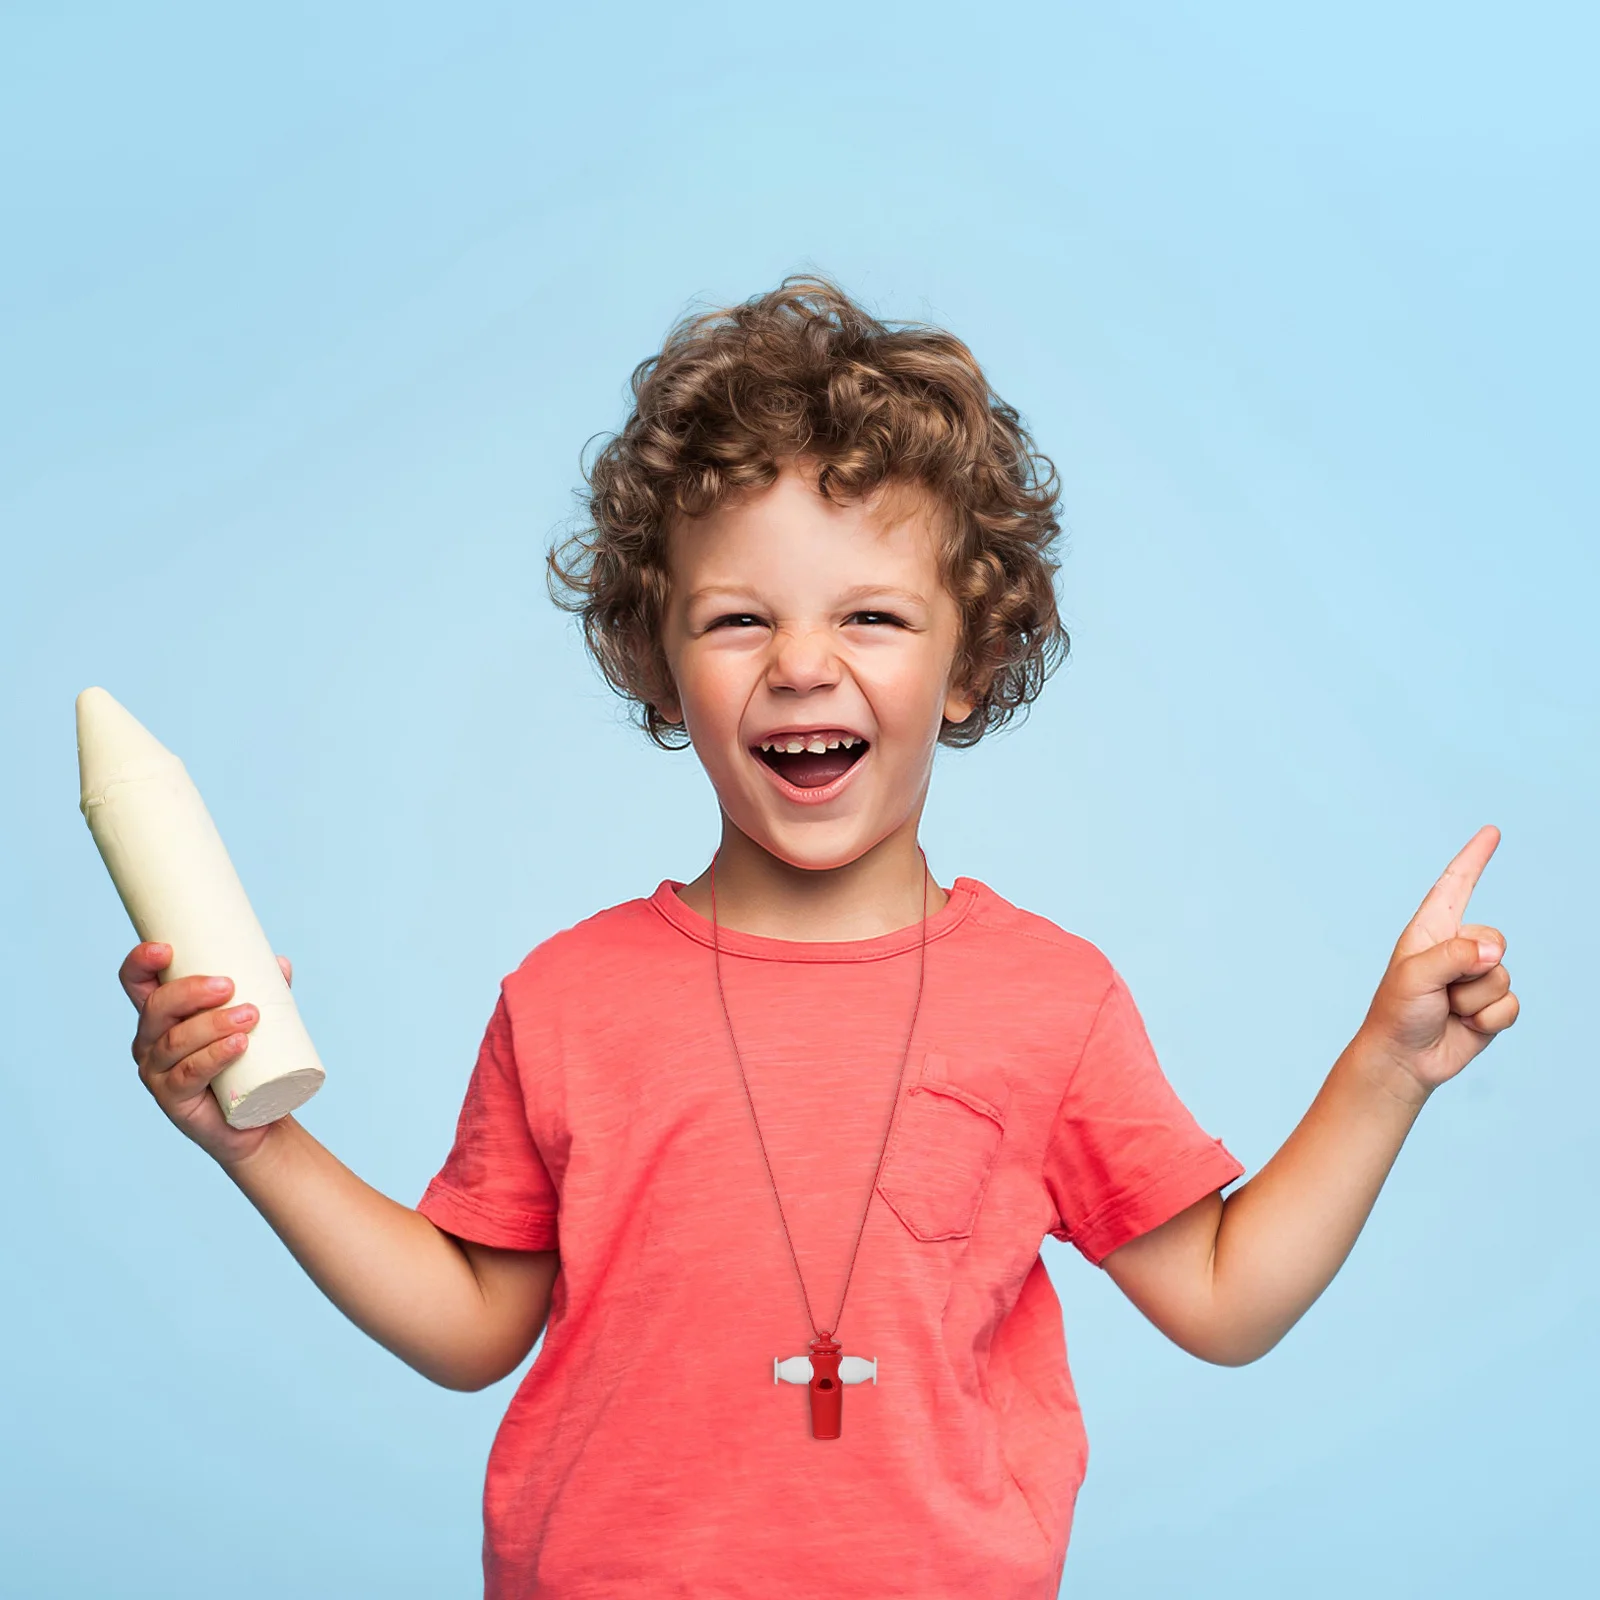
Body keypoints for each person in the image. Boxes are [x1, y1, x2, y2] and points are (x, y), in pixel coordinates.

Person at [118, 278, 1520, 1598]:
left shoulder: (1051, 1002)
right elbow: (478, 1319)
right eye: (738, 619)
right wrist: (262, 1145)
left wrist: (1385, 1072)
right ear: (654, 658)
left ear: (969, 666)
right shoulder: (565, 999)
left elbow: (1223, 1293)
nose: (802, 663)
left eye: (870, 616)